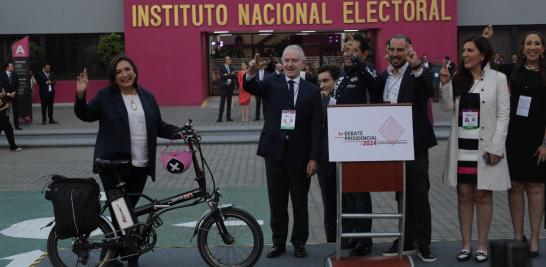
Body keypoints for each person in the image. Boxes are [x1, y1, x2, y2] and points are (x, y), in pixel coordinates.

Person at [75, 55, 181, 267]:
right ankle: (129, 256)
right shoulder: (106, 96)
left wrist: (181, 132)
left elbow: (158, 126)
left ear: (135, 71)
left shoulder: (147, 97)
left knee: (127, 210)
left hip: (140, 165)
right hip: (113, 166)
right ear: (113, 77)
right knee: (123, 213)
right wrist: (81, 94)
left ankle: (114, 253)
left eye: (128, 69)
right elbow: (86, 114)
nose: (124, 74)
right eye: (119, 72)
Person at [243, 45, 322, 259]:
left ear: (303, 63)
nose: (289, 64)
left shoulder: (312, 91)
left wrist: (314, 158)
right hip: (275, 154)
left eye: (294, 60)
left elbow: (316, 128)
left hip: (300, 156)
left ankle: (299, 243)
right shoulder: (270, 83)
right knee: (276, 202)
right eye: (286, 60)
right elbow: (251, 88)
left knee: (300, 203)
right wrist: (250, 73)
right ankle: (278, 242)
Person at [438, 36, 510, 263]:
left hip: (485, 147)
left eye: (470, 50)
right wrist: (445, 83)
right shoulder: (458, 78)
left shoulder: (498, 79)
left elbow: (503, 115)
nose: (465, 54)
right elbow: (446, 106)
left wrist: (497, 147)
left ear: (482, 54)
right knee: (464, 194)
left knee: (483, 194)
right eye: (463, 50)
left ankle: (481, 245)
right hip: (462, 148)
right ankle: (466, 244)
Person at [373, 34, 437, 263]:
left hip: (416, 144)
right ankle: (406, 239)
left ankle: (424, 244)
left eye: (401, 50)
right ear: (387, 51)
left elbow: (431, 90)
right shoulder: (384, 76)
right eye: (393, 50)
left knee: (419, 193)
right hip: (391, 145)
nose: (396, 54)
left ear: (409, 50)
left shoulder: (419, 71)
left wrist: (417, 66)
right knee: (401, 194)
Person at [334, 33, 379, 256]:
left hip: (360, 140)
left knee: (360, 191)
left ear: (363, 53)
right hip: (343, 140)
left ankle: (365, 238)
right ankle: (353, 234)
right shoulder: (344, 72)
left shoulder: (366, 70)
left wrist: (358, 62)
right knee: (349, 191)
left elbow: (376, 83)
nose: (347, 53)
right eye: (346, 49)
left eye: (352, 50)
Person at [506, 31, 546, 258]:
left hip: (538, 140)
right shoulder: (513, 74)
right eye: (528, 43)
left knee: (536, 187)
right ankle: (517, 236)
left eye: (537, 43)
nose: (532, 47)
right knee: (515, 187)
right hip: (514, 139)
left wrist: (545, 143)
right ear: (522, 48)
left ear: (542, 48)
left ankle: (534, 238)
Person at [316, 64, 341, 243]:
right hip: (325, 162)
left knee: (348, 205)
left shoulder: (346, 98)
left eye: (326, 81)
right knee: (329, 207)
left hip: (345, 162)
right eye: (320, 82)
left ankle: (351, 241)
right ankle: (330, 243)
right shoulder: (318, 101)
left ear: (336, 81)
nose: (322, 85)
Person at [1, 62, 22, 130]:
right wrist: (7, 93)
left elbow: (18, 84)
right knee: (5, 111)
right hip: (6, 95)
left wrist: (14, 92)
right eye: (11, 66)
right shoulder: (2, 75)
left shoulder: (15, 74)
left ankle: (17, 125)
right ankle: (4, 126)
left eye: (12, 66)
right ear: (7, 67)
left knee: (16, 111)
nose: (12, 67)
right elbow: (1, 85)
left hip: (14, 95)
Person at [0, 87, 21, 151]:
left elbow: (9, 96)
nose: (4, 91)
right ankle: (13, 146)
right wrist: (5, 107)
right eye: (3, 91)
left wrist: (11, 94)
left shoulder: (3, 97)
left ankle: (13, 146)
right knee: (9, 131)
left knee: (8, 131)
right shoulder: (0, 99)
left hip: (3, 117)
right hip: (2, 118)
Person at [217, 56, 235, 122]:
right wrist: (230, 74)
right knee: (222, 102)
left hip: (230, 87)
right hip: (224, 87)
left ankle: (228, 117)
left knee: (229, 103)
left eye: (230, 59)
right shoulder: (221, 67)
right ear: (225, 60)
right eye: (229, 59)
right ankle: (220, 117)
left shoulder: (232, 67)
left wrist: (227, 75)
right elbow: (222, 76)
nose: (230, 60)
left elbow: (233, 76)